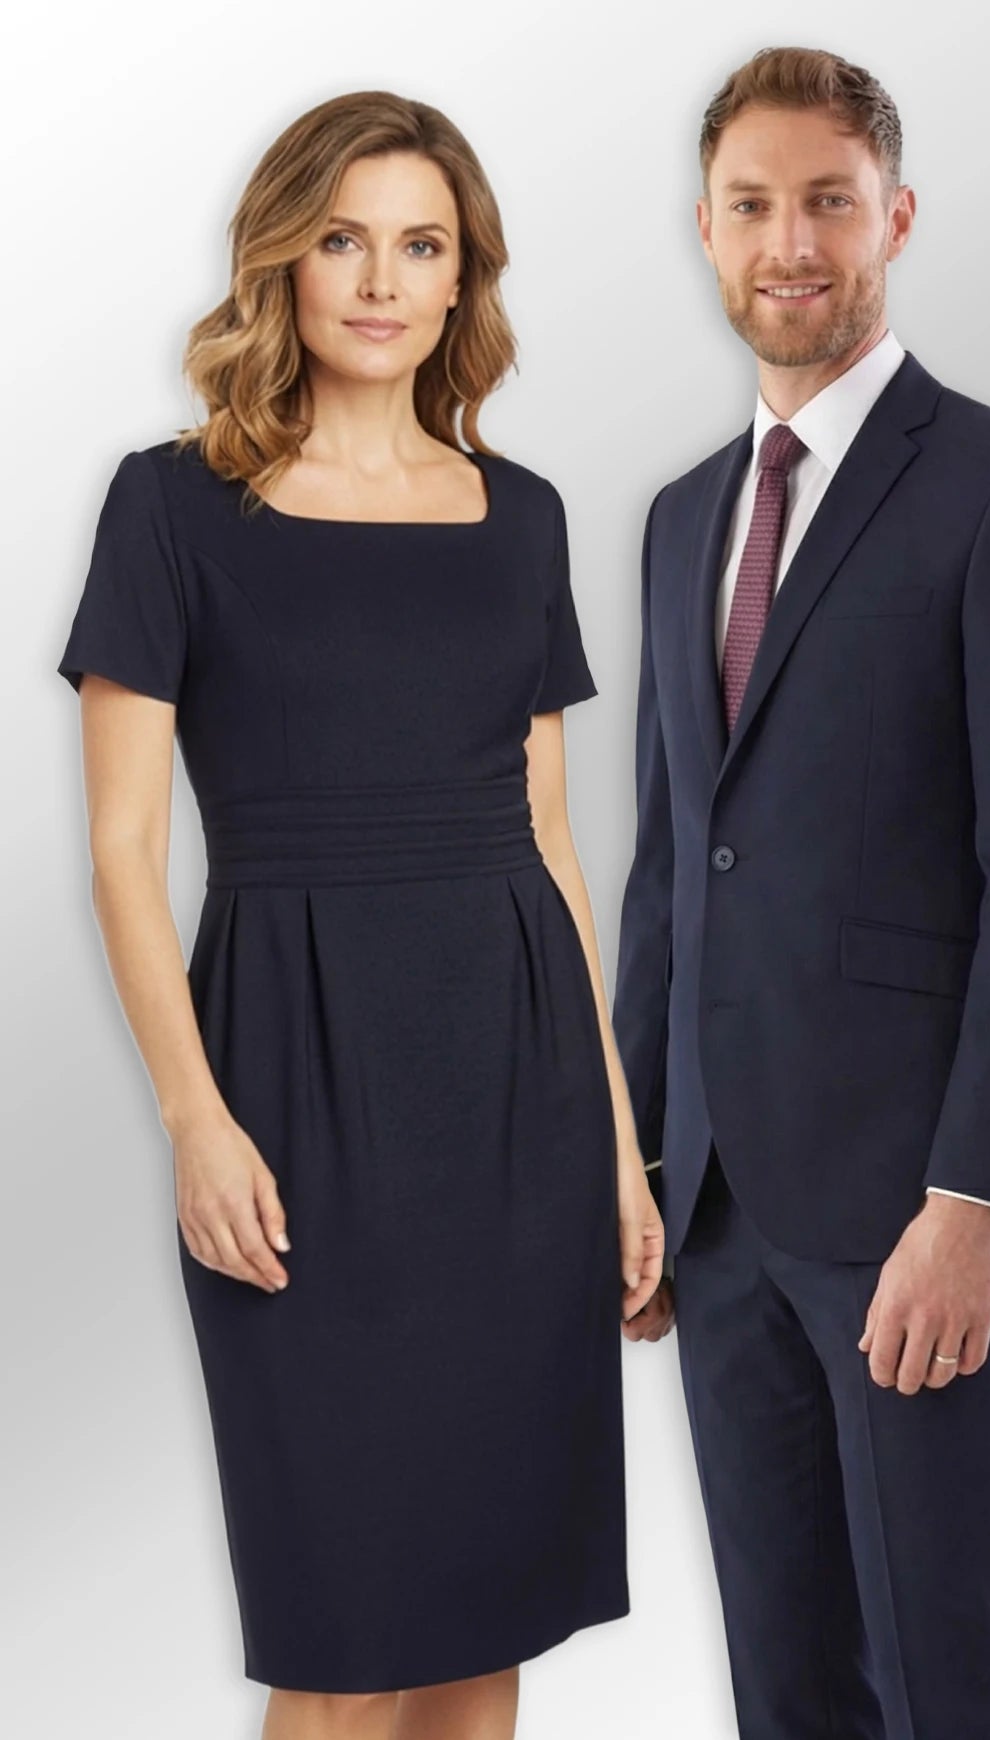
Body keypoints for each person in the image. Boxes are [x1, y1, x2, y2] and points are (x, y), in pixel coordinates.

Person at [56, 89, 663, 1740]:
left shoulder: (520, 516)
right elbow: (122, 850)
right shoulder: (170, 507)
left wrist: (616, 1152)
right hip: (294, 1090)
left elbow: (552, 841)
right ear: (283, 262)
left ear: (466, 282)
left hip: (517, 1103)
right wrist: (194, 1116)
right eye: (343, 240)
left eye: (422, 246)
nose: (381, 281)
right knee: (341, 1639)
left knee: (485, 1624)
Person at [614, 45, 990, 1740]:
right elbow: (672, 870)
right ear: (703, 230)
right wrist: (636, 1165)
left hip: (916, 1216)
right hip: (721, 1225)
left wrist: (978, 1201)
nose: (792, 242)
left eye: (828, 200)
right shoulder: (682, 520)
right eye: (753, 205)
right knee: (788, 1689)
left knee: (943, 1675)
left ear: (893, 216)